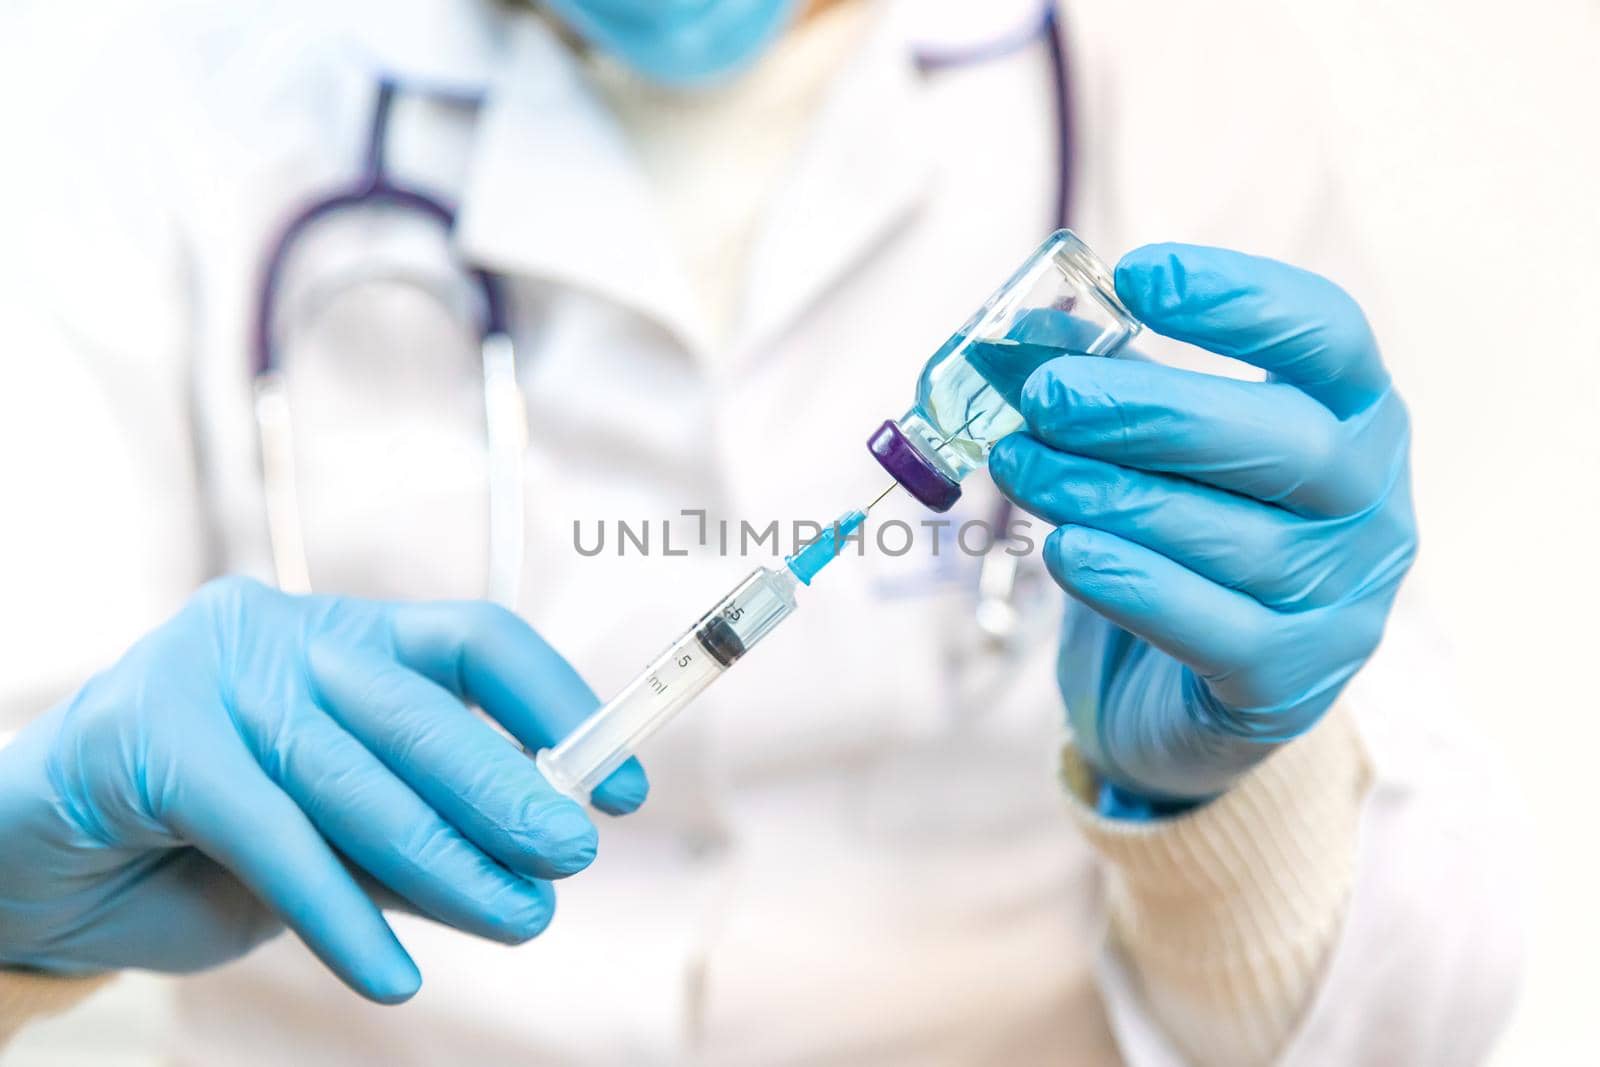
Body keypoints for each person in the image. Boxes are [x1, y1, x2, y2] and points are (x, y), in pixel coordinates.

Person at [0, 0, 1525, 1064]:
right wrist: (17, 906)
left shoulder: (1169, 68)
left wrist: (1227, 800)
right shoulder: (171, 92)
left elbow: (1411, 1022)